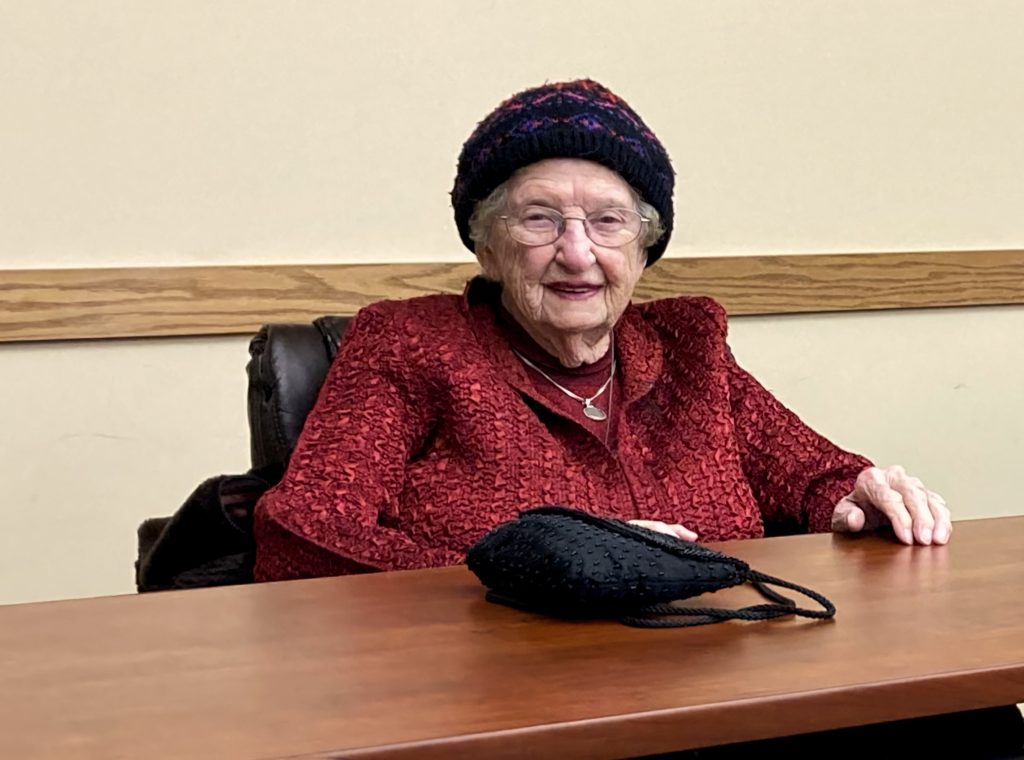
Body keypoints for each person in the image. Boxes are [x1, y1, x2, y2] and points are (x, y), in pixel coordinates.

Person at [253, 78, 951, 581]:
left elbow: (813, 477)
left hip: (721, 685)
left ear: (646, 246)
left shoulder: (689, 350)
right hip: (508, 698)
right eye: (539, 218)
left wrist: (861, 495)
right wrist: (528, 564)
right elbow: (300, 540)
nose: (578, 252)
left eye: (609, 222)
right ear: (487, 243)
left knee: (974, 724)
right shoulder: (411, 344)